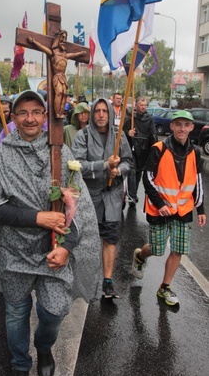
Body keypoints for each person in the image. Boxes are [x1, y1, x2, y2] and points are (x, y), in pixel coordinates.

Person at [0, 90, 100, 376]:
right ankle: (20, 363)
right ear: (13, 118)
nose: (30, 118)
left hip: (53, 252)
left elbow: (81, 208)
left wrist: (67, 246)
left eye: (37, 111)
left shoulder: (60, 153)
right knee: (16, 312)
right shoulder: (1, 155)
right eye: (23, 112)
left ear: (45, 116)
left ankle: (44, 346)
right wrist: (38, 218)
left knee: (55, 310)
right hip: (13, 253)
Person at [132, 110, 206, 306]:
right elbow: (147, 180)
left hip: (183, 209)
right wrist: (161, 204)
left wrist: (201, 210)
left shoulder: (195, 152)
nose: (182, 128)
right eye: (178, 124)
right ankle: (140, 256)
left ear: (191, 128)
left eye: (186, 125)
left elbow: (197, 182)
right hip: (160, 209)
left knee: (178, 249)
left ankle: (164, 287)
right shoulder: (158, 148)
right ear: (171, 126)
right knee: (156, 249)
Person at [72, 98, 132, 299]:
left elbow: (128, 162)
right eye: (97, 111)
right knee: (86, 240)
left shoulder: (119, 135)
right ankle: (82, 279)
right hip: (90, 195)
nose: (100, 114)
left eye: (104, 111)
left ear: (110, 114)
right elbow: (77, 165)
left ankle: (107, 282)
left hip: (112, 195)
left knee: (110, 238)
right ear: (91, 114)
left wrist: (119, 171)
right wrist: (104, 165)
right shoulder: (83, 135)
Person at [27, 30, 85, 119]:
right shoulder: (53, 53)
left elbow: (74, 54)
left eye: (65, 38)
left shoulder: (65, 55)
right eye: (62, 38)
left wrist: (81, 53)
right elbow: (42, 47)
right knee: (59, 93)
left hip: (63, 77)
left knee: (64, 95)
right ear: (58, 39)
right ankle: (57, 112)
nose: (64, 40)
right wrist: (34, 42)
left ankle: (61, 112)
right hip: (57, 76)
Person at [123, 96, 157, 206]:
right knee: (132, 171)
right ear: (136, 105)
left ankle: (134, 192)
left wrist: (154, 149)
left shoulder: (149, 119)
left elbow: (153, 134)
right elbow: (122, 132)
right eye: (141, 105)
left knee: (138, 172)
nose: (143, 107)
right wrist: (129, 133)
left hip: (144, 150)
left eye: (145, 105)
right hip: (132, 147)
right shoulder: (131, 118)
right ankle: (132, 195)